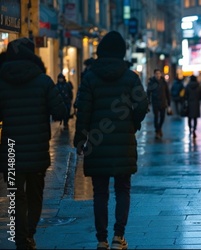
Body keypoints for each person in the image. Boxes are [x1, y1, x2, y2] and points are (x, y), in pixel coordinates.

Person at [73, 31, 148, 250]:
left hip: (96, 144)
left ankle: (101, 240)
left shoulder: (89, 77)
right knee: (123, 189)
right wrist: (133, 122)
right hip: (123, 142)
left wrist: (80, 138)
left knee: (100, 192)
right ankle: (118, 237)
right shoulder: (130, 77)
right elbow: (143, 105)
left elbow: (83, 110)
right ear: (122, 52)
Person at [0, 37, 67, 249]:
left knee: (15, 196)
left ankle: (21, 238)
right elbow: (61, 111)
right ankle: (28, 234)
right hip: (37, 148)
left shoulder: (1, 81)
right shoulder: (43, 81)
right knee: (35, 196)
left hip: (10, 149)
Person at [147, 69, 171, 139]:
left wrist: (169, 104)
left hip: (163, 102)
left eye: (159, 73)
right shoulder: (151, 82)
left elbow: (167, 93)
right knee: (156, 117)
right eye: (156, 73)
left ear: (161, 74)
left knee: (163, 117)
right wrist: (148, 103)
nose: (158, 75)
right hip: (155, 102)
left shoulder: (164, 82)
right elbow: (148, 93)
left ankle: (159, 128)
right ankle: (157, 130)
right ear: (154, 74)